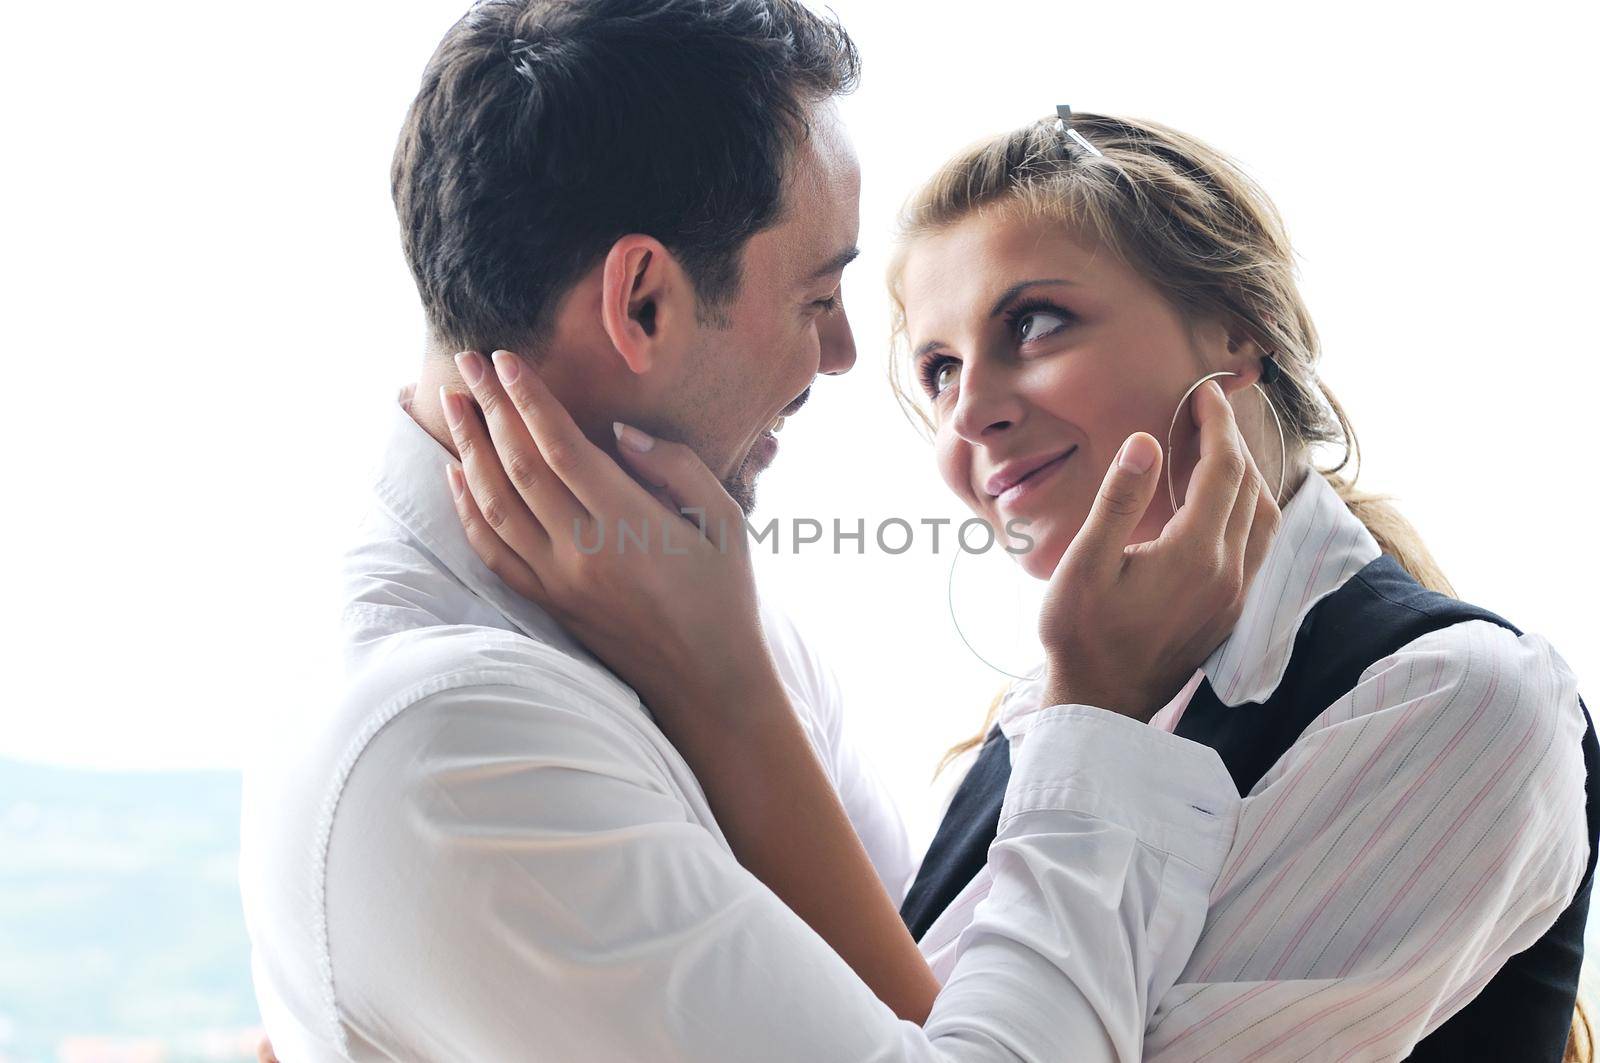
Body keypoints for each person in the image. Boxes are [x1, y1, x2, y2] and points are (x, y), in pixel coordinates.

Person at [240, 4, 1277, 1060]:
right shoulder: (454, 743)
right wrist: (1097, 709)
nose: (837, 353)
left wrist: (729, 687)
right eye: (818, 294)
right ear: (641, 302)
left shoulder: (688, 596)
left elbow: (920, 1006)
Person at [447, 112, 1598, 1060]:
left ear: (1234, 334)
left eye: (1032, 323)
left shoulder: (1461, 702)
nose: (971, 413)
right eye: (940, 371)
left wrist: (722, 675)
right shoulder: (1047, 716)